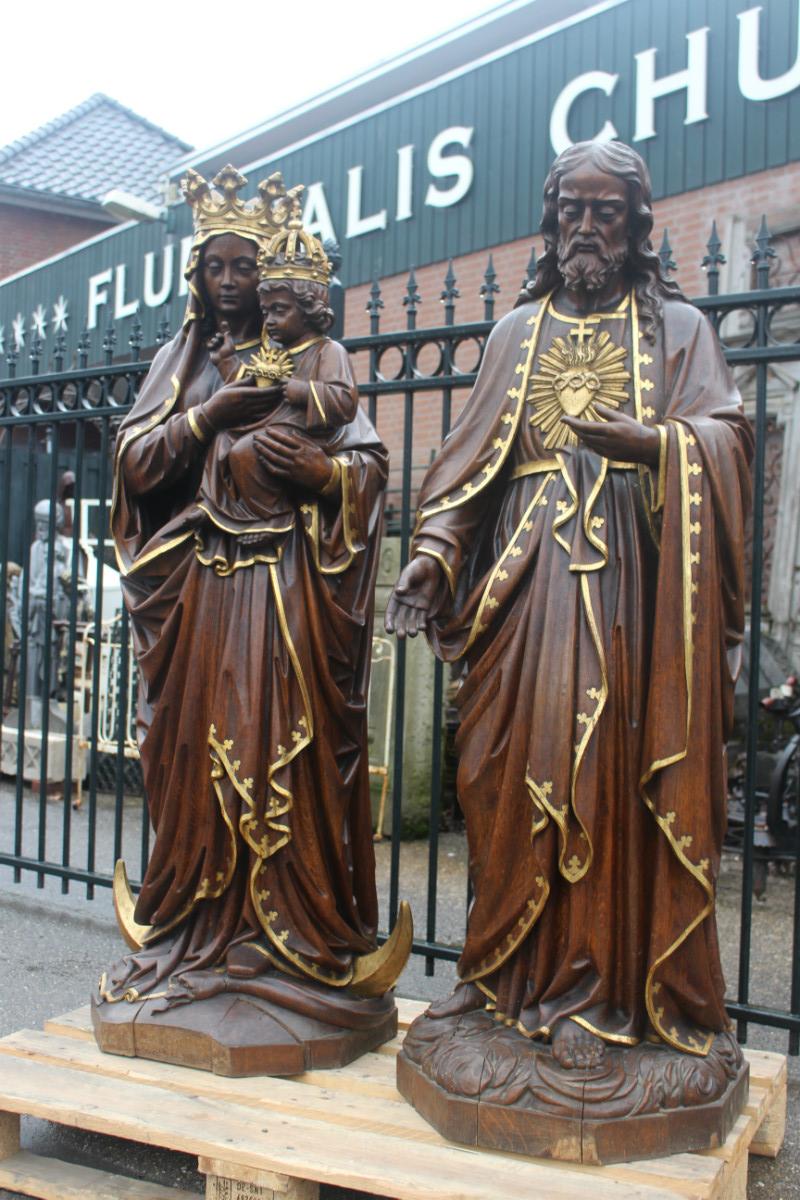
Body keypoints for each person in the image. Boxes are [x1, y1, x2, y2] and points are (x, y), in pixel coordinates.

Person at [387, 140, 752, 1070]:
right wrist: (433, 554)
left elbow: (728, 440)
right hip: (520, 595)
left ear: (637, 224)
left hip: (628, 593)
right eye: (572, 210)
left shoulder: (679, 330)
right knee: (503, 778)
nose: (587, 227)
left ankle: (597, 996)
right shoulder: (517, 333)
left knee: (606, 780)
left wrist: (657, 447)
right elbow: (470, 466)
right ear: (552, 222)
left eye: (606, 211)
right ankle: (500, 979)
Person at [99, 166, 392, 1042]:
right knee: (192, 751)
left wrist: (325, 475)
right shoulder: (179, 364)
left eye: (245, 267)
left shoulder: (312, 358)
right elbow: (135, 465)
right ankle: (197, 926)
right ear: (197, 275)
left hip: (287, 586)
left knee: (283, 749)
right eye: (215, 267)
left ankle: (286, 939)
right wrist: (208, 415)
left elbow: (366, 463)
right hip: (200, 590)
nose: (229, 283)